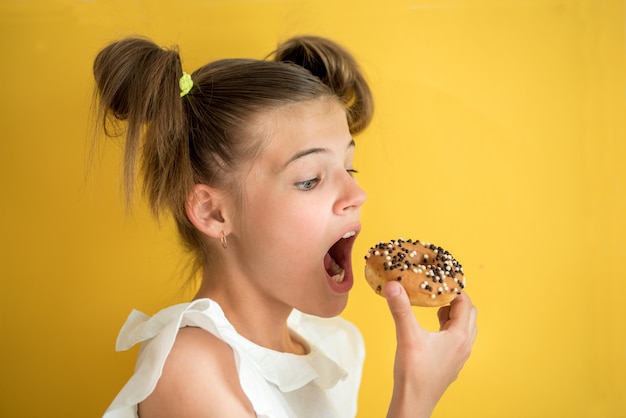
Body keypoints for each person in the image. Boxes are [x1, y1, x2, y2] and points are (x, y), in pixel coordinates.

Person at [93, 34, 478, 418]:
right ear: (213, 214)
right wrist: (415, 399)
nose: (356, 193)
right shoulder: (193, 371)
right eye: (309, 179)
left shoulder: (327, 344)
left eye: (349, 168)